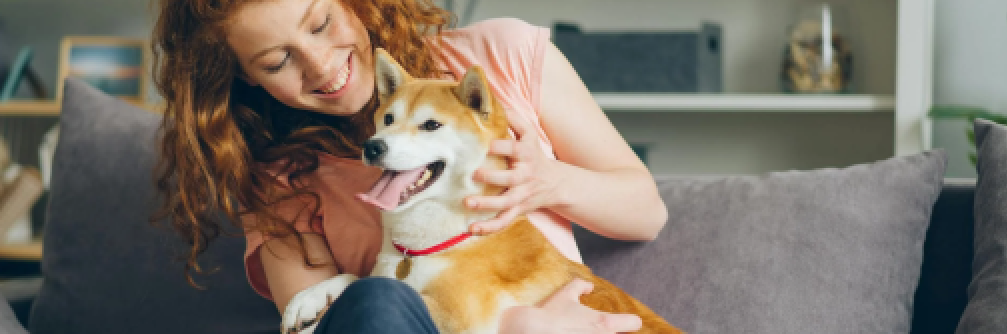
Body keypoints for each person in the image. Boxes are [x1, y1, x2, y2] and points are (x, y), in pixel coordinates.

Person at [149, 0, 669, 333]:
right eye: (276, 61)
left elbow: (646, 213)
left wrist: (548, 181)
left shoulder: (500, 55)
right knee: (377, 299)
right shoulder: (280, 178)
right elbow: (325, 326)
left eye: (322, 23)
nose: (321, 63)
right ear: (246, 82)